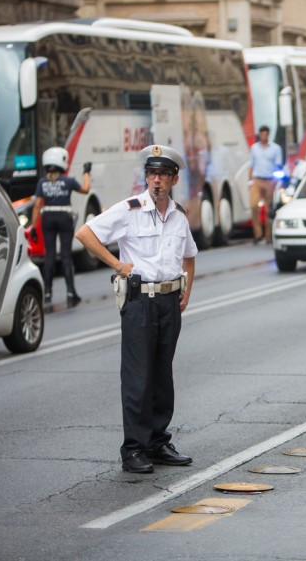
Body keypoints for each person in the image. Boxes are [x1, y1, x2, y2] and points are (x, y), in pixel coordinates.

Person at [74, 144, 197, 474]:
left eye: (163, 175)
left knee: (162, 375)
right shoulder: (129, 210)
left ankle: (158, 442)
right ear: (146, 177)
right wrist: (117, 263)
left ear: (173, 179)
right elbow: (85, 233)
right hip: (140, 301)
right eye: (152, 174)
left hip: (170, 301)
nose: (156, 181)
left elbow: (189, 255)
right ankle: (134, 449)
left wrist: (186, 289)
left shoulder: (179, 215)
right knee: (138, 377)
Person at [29, 147, 91, 305]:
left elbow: (37, 205)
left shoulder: (42, 183)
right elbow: (85, 189)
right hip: (64, 218)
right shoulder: (68, 181)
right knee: (65, 255)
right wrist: (86, 173)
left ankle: (48, 292)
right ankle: (70, 292)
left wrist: (33, 226)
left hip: (47, 218)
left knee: (49, 255)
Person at [249, 125, 283, 244]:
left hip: (270, 180)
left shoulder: (275, 148)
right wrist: (250, 180)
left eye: (265, 134)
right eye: (262, 134)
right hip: (257, 179)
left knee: (269, 208)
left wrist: (276, 180)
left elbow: (278, 164)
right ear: (259, 135)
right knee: (254, 205)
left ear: (268, 135)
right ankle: (257, 233)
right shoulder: (254, 148)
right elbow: (251, 165)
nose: (264, 136)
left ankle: (268, 234)